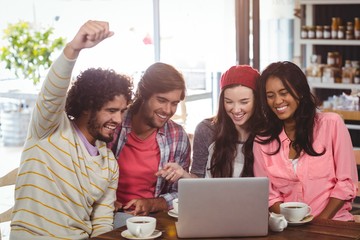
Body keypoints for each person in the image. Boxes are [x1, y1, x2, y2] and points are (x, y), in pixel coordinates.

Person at [10, 20, 133, 239]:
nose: (118, 119)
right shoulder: (50, 129)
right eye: (111, 110)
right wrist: (73, 49)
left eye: (122, 111)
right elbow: (51, 93)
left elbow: (102, 222)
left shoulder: (109, 165)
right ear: (87, 107)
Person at [253, 61, 358, 221]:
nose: (277, 101)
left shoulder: (332, 124)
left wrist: (318, 225)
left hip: (333, 223)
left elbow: (346, 183)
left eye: (284, 92)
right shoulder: (262, 140)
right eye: (270, 96)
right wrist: (292, 222)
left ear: (300, 92)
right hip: (287, 226)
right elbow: (269, 194)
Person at [108, 61, 191, 218]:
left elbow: (182, 192)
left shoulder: (177, 136)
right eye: (161, 100)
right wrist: (105, 202)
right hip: (108, 216)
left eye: (174, 103)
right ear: (143, 95)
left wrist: (151, 203)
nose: (168, 110)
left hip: (153, 219)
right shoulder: (113, 126)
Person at [156, 65, 260, 180]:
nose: (236, 110)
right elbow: (199, 180)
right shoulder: (206, 130)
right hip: (213, 198)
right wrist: (183, 174)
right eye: (229, 102)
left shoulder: (268, 133)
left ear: (257, 100)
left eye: (244, 102)